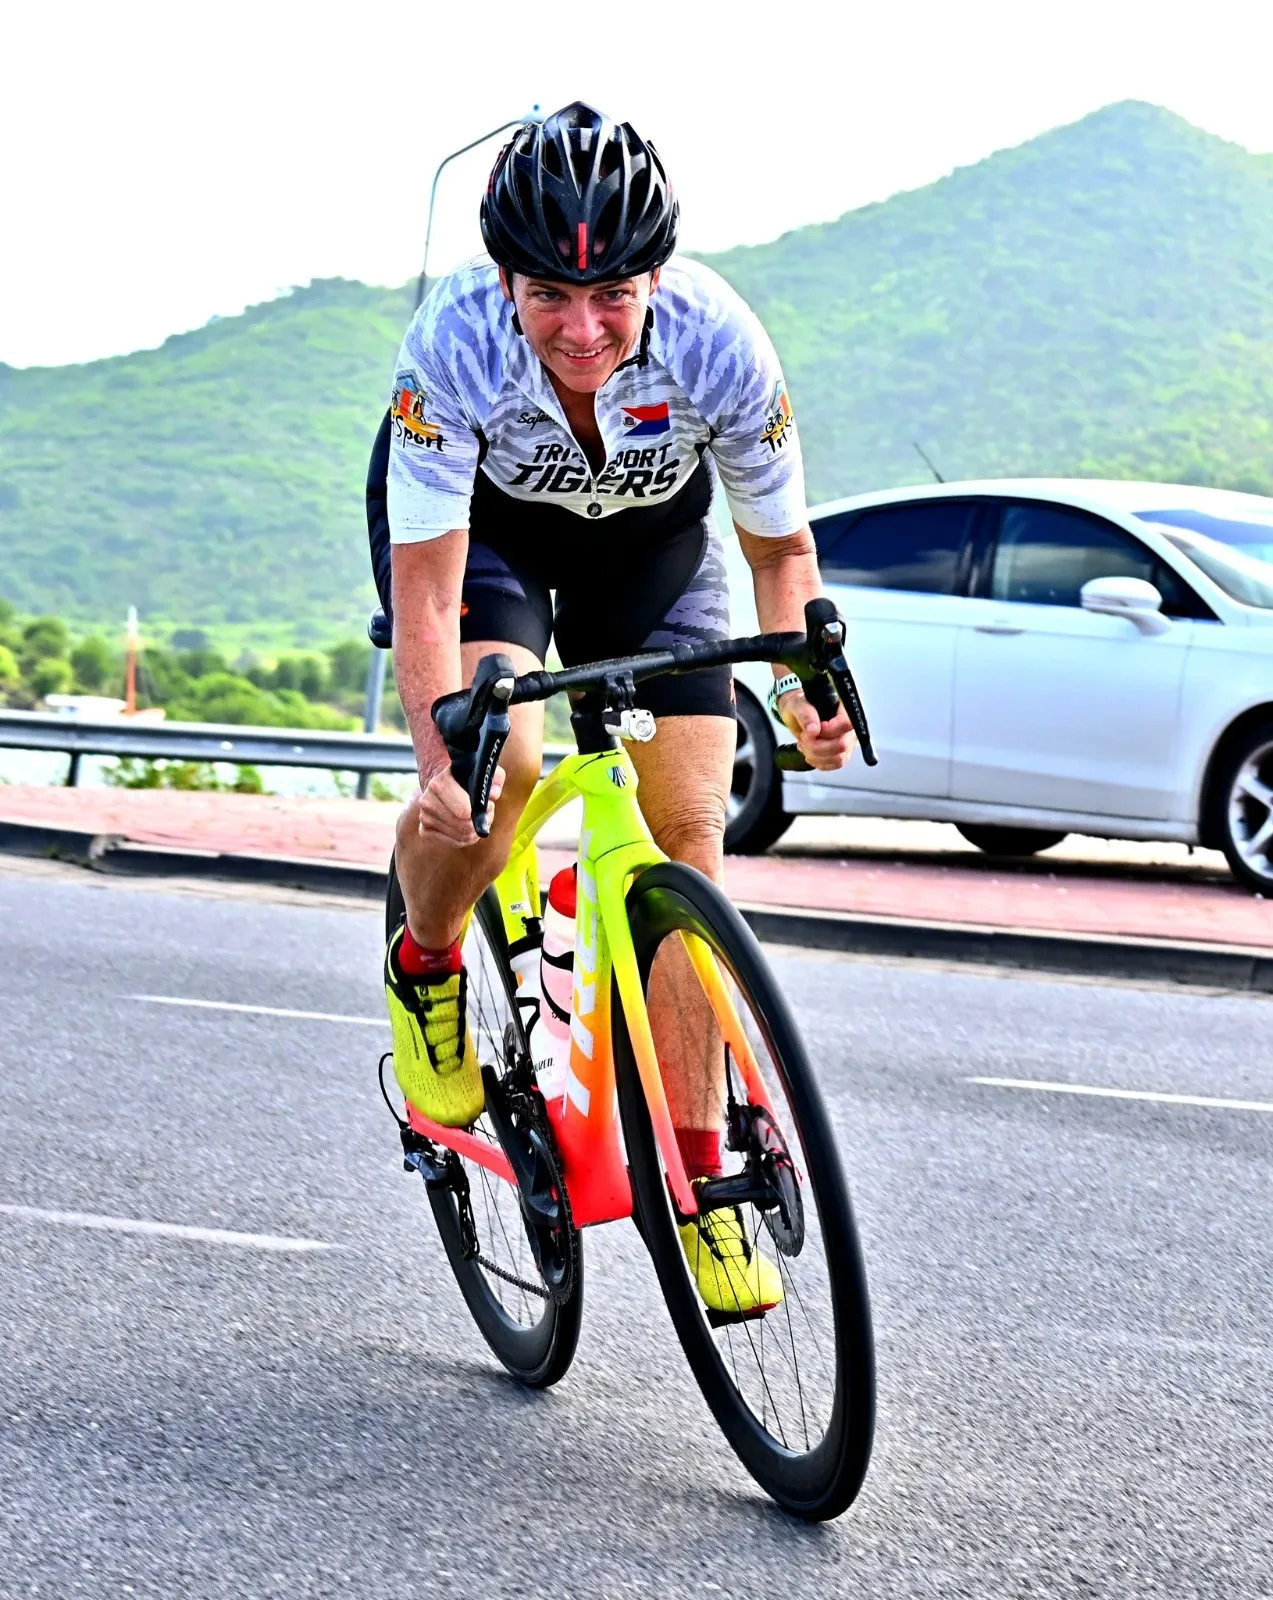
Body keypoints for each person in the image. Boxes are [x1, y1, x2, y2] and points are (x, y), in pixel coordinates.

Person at [369, 101, 856, 1316]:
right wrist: (445, 747)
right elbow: (426, 596)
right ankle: (428, 963)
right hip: (488, 544)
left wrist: (805, 690)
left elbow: (779, 550)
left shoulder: (721, 343)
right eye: (547, 297)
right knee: (505, 774)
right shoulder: (452, 348)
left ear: (655, 278)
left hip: (647, 545)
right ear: (502, 282)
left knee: (688, 833)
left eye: (612, 298)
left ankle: (700, 1185)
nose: (582, 331)